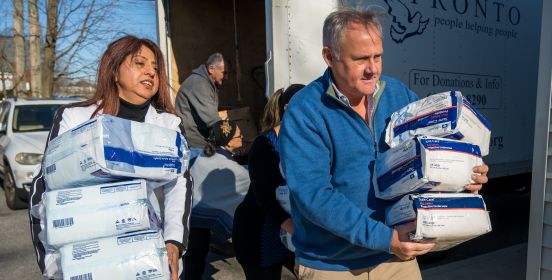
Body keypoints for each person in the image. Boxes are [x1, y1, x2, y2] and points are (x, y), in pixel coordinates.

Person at [278, 8, 490, 280]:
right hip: (333, 265)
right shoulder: (305, 111)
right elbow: (314, 195)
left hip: (396, 260)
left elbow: (433, 149)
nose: (372, 69)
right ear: (330, 57)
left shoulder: (398, 94)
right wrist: (385, 238)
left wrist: (466, 170)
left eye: (378, 57)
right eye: (361, 59)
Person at [28, 35, 193, 280]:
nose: (151, 72)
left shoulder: (169, 126)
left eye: (156, 68)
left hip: (146, 259)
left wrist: (173, 242)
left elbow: (179, 185)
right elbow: (44, 190)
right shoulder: (75, 118)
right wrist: (53, 266)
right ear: (114, 71)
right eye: (140, 63)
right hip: (85, 261)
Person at [232, 84, 304, 280]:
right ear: (288, 108)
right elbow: (265, 197)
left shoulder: (304, 141)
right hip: (259, 233)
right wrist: (298, 232)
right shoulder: (265, 145)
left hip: (287, 231)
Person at [183, 119, 250, 280]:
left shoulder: (206, 153)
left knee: (194, 259)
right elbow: (248, 182)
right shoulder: (228, 166)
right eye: (239, 136)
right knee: (195, 261)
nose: (242, 138)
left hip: (191, 215)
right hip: (197, 221)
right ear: (228, 142)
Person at [175, 53, 227, 151]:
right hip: (194, 145)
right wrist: (232, 134)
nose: (226, 77)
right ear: (211, 69)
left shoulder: (207, 83)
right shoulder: (199, 84)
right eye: (224, 73)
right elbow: (213, 119)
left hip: (200, 141)